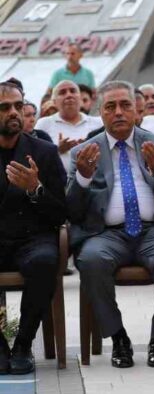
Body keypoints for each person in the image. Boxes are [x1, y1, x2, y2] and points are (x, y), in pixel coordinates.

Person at [67, 81, 154, 368]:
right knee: (92, 260)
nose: (119, 112)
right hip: (106, 234)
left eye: (125, 106)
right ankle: (118, 337)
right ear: (101, 113)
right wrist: (83, 178)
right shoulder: (84, 152)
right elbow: (72, 210)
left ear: (138, 111)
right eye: (111, 107)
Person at [0, 81, 66, 375]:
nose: (13, 112)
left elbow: (62, 212)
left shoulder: (45, 151)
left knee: (44, 262)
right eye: (4, 108)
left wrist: (35, 189)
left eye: (18, 105)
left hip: (33, 238)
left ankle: (23, 344)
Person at [35, 80, 102, 173]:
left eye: (73, 91)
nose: (69, 95)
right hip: (58, 184)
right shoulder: (44, 124)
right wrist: (57, 150)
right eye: (62, 92)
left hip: (96, 183)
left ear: (80, 98)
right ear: (54, 101)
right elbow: (35, 158)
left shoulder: (99, 123)